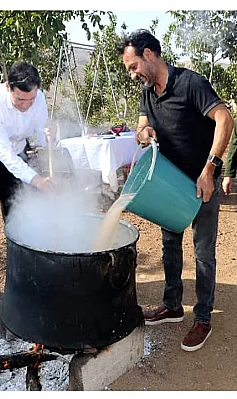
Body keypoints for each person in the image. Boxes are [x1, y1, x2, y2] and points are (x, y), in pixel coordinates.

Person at [119, 29, 235, 352]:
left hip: (203, 182)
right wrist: (144, 133)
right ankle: (172, 305)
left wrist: (210, 169)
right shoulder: (147, 93)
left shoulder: (190, 84)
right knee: (170, 245)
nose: (133, 74)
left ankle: (203, 317)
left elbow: (225, 119)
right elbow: (142, 126)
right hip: (169, 182)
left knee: (203, 252)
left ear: (150, 55)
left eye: (133, 66)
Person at [0, 61, 54, 309]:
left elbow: (38, 136)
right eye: (20, 100)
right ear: (8, 87)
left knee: (17, 222)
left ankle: (20, 281)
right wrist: (36, 180)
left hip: (17, 159)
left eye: (31, 99)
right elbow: (3, 153)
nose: (26, 105)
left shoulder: (38, 99)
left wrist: (48, 136)